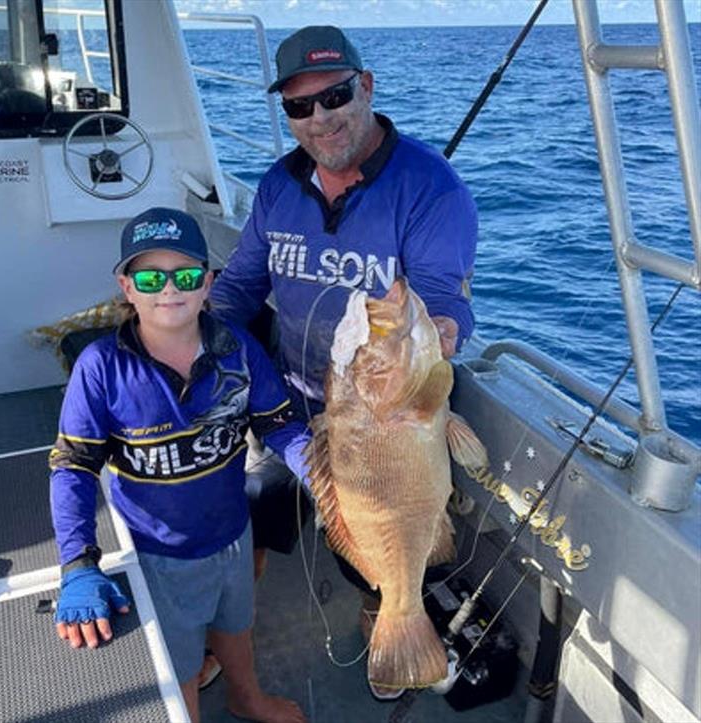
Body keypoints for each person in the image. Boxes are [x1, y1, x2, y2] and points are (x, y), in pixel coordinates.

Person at [210, 25, 478, 700]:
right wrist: (182, 343)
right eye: (299, 106)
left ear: (365, 87)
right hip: (285, 401)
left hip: (377, 410)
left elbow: (447, 304)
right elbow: (241, 285)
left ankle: (388, 616)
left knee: (370, 543)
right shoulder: (278, 185)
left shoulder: (431, 190)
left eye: (333, 97)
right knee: (248, 514)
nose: (319, 118)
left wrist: (439, 330)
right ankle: (230, 634)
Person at [49, 207, 308, 723]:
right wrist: (78, 563)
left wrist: (318, 466)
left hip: (233, 534)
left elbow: (279, 426)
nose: (170, 289)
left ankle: (245, 697)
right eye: (150, 277)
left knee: (237, 625)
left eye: (186, 275)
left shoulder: (239, 349)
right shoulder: (100, 367)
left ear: (208, 283)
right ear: (127, 286)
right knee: (181, 661)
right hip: (156, 554)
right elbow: (73, 467)